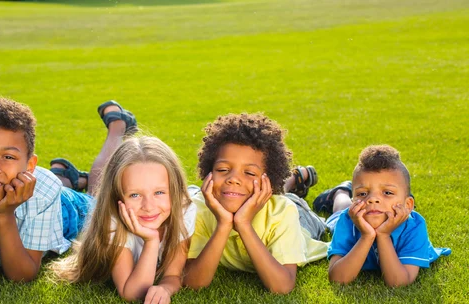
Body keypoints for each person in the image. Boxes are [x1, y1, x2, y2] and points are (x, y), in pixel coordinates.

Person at [0, 98, 135, 290]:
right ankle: (67, 177)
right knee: (29, 181)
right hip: (31, 187)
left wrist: (5, 214)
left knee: (99, 198)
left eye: (8, 157)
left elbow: (22, 275)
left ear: (30, 165)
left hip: (64, 210)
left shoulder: (44, 192)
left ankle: (118, 126)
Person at [183, 113, 328, 294]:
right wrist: (224, 224)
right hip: (255, 197)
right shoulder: (198, 209)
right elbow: (193, 283)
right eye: (223, 169)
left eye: (250, 173)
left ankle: (334, 194)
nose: (233, 179)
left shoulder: (283, 213)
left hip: (301, 219)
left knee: (331, 222)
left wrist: (243, 224)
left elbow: (282, 286)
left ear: (270, 179)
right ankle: (295, 179)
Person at [52, 136, 196, 304]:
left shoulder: (184, 209)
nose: (149, 206)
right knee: (87, 199)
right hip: (80, 208)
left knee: (91, 194)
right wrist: (151, 240)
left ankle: (77, 178)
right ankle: (69, 176)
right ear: (117, 198)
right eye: (135, 195)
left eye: (159, 192)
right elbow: (132, 293)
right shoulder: (113, 217)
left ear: (174, 191)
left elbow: (173, 275)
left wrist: (165, 289)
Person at [312, 144, 451, 287]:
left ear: (408, 205)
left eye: (387, 192)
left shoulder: (414, 227)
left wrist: (383, 235)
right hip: (348, 214)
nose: (372, 199)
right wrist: (367, 236)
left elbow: (399, 282)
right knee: (340, 210)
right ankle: (340, 192)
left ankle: (351, 191)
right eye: (362, 193)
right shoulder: (347, 221)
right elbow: (337, 279)